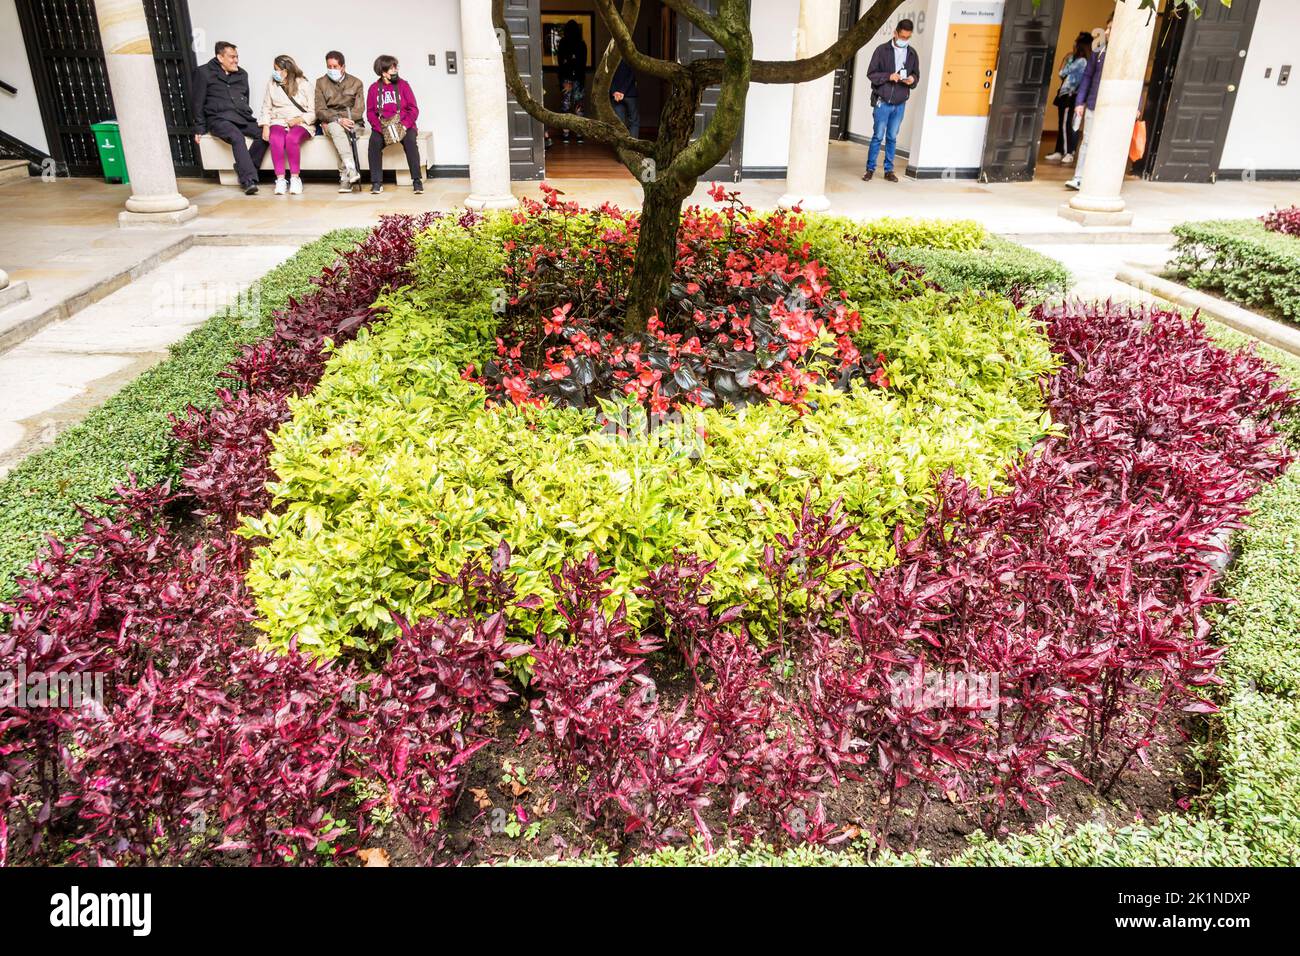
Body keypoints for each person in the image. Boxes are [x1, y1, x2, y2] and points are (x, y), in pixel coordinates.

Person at [192, 41, 268, 194]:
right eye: (232, 57)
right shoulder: (204, 72)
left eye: (237, 57)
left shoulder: (242, 74)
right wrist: (199, 128)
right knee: (236, 137)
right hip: (218, 118)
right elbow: (197, 102)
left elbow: (245, 97)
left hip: (241, 116)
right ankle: (248, 181)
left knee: (265, 134)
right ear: (220, 57)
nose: (236, 60)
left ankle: (244, 168)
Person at [863, 19, 920, 183]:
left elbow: (917, 75)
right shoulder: (882, 50)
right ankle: (870, 169)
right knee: (877, 136)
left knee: (892, 137)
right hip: (883, 101)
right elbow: (871, 73)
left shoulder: (912, 53)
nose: (905, 40)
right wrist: (889, 76)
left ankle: (889, 170)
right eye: (902, 36)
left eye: (908, 37)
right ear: (895, 33)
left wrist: (911, 79)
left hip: (900, 103)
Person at [366, 55, 423, 194]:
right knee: (374, 143)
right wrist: (381, 129)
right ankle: (377, 182)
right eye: (392, 68)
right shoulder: (373, 89)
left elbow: (413, 109)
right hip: (383, 126)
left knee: (410, 141)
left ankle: (417, 180)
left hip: (404, 124)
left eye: (396, 67)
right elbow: (370, 113)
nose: (395, 70)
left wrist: (404, 125)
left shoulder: (404, 85)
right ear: (383, 72)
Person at [259, 55, 315, 196]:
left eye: (277, 69)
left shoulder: (304, 84)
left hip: (301, 122)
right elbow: (266, 107)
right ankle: (281, 180)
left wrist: (298, 120)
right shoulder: (271, 84)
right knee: (275, 139)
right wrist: (265, 125)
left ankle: (295, 178)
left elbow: (314, 111)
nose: (275, 73)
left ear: (287, 70)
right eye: (274, 69)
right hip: (278, 120)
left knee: (292, 138)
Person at [1067, 16, 1111, 191]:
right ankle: (1079, 177)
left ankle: (1102, 180)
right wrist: (1080, 102)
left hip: (1113, 107)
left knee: (1108, 143)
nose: (1106, 32)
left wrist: (1136, 106)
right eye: (1106, 28)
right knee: (1087, 141)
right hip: (1093, 103)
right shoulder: (1099, 49)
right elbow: (1087, 75)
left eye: (1110, 29)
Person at [314, 51, 366, 192]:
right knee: (336, 129)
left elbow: (358, 110)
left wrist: (343, 120)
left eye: (335, 66)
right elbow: (319, 110)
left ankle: (345, 177)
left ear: (343, 67)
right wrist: (338, 119)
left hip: (353, 123)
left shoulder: (356, 83)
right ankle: (350, 169)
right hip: (331, 123)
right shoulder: (321, 83)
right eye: (329, 66)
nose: (332, 69)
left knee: (340, 131)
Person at [1045, 33, 1092, 165]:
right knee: (1063, 123)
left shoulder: (1081, 61)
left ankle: (1068, 152)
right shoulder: (1076, 59)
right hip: (1066, 94)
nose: (1074, 45)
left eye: (1076, 42)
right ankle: (1059, 151)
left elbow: (1062, 72)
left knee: (1068, 124)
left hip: (1072, 95)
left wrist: (1066, 58)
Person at [557, 19, 587, 142]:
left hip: (567, 78)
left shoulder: (563, 43)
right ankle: (579, 134)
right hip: (578, 78)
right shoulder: (581, 44)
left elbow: (562, 62)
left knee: (566, 106)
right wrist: (573, 60)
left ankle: (566, 133)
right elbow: (581, 63)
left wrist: (569, 61)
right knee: (578, 105)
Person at [610, 61, 640, 139]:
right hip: (630, 94)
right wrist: (622, 92)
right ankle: (632, 146)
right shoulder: (629, 56)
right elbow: (631, 76)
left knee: (620, 123)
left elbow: (608, 76)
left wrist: (614, 92)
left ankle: (623, 147)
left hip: (616, 95)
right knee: (634, 122)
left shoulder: (610, 57)